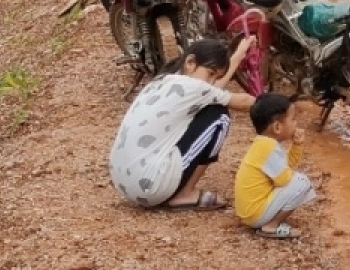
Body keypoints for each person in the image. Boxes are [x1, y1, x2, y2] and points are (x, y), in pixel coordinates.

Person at [109, 37, 255, 211]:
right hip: (150, 188)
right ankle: (185, 194)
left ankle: (175, 186)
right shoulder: (195, 88)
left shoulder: (162, 80)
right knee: (218, 116)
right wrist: (279, 105)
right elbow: (244, 102)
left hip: (125, 183)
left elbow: (213, 89)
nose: (211, 81)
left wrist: (239, 54)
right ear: (190, 62)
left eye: (215, 76)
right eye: (210, 73)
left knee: (213, 105)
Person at [234, 93, 316, 238]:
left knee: (297, 181)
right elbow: (284, 179)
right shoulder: (269, 146)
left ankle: (269, 220)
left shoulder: (264, 143)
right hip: (254, 214)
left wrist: (297, 146)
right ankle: (271, 226)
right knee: (302, 182)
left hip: (248, 212)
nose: (296, 123)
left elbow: (285, 168)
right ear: (277, 127)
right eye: (293, 119)